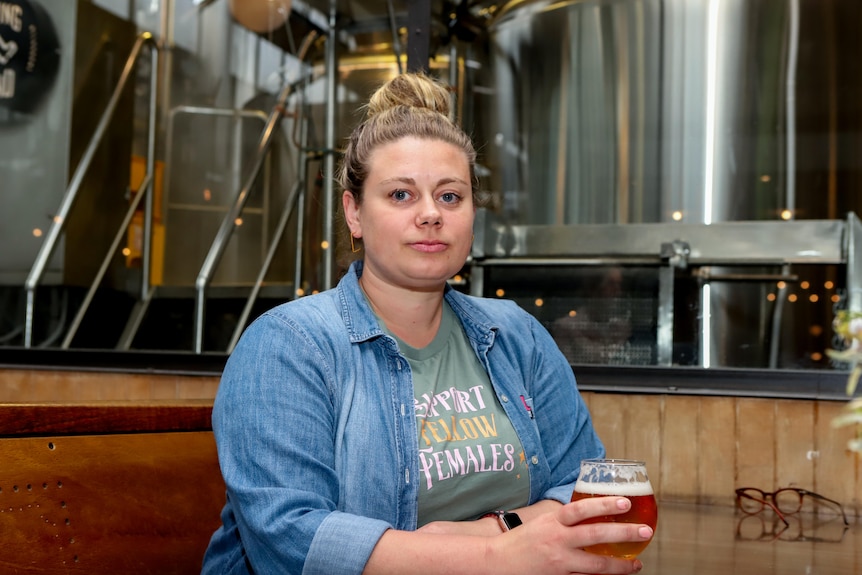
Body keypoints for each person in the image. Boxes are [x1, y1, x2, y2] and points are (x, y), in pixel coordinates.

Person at [201, 73, 652, 575]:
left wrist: (492, 532)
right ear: (353, 212)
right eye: (400, 195)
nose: (431, 215)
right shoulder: (288, 344)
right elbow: (292, 539)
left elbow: (579, 484)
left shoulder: (515, 334)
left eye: (451, 196)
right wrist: (493, 557)